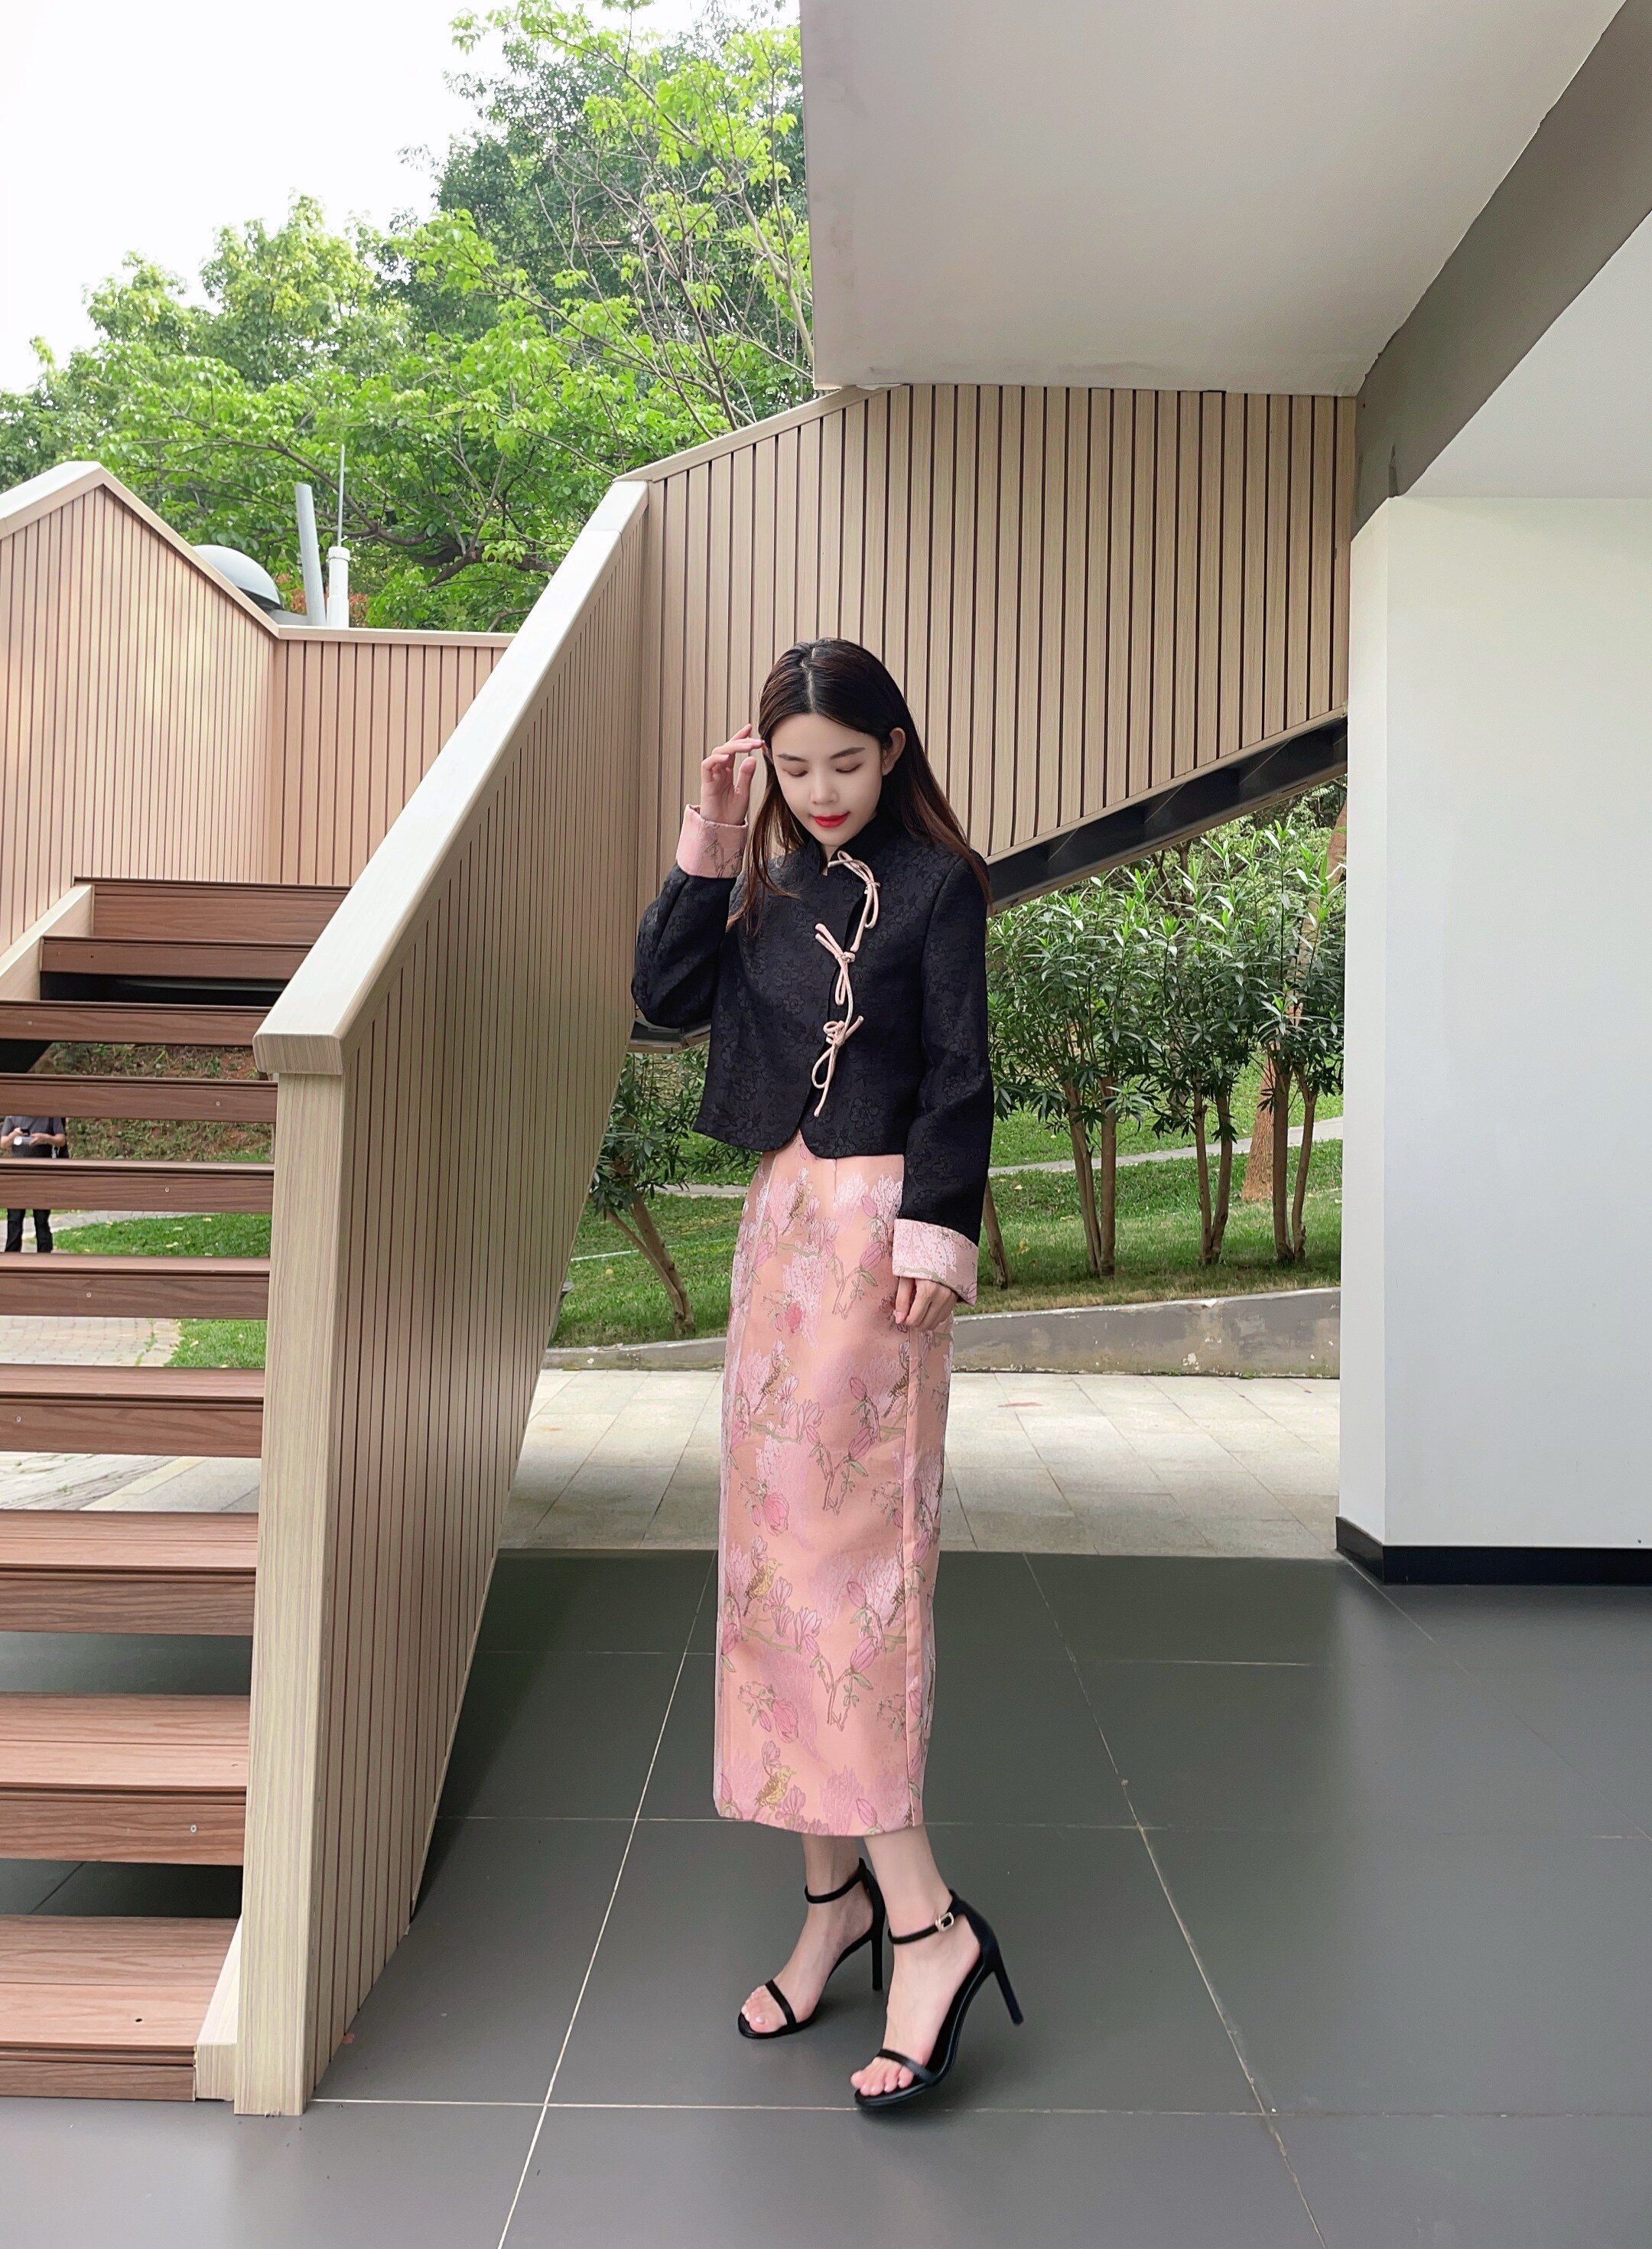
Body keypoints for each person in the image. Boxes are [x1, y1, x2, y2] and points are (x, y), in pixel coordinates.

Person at [633, 639, 1022, 2112]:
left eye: (845, 763)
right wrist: (714, 826)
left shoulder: (938, 886)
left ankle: (926, 1924)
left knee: (851, 1581)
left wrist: (939, 1231)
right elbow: (661, 992)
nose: (823, 791)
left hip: (880, 1252)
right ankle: (835, 1906)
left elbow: (962, 1072)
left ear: (895, 747)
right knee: (771, 1576)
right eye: (795, 769)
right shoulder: (766, 881)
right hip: (783, 1234)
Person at [2, 1114, 67, 1254]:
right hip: (18, 1174)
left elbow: (61, 1140)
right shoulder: (13, 1115)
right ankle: (12, 1257)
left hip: (42, 1173)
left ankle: (45, 1256)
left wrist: (46, 1138)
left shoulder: (50, 1116)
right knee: (14, 1220)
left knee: (42, 1219)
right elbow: (3, 1143)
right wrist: (14, 1135)